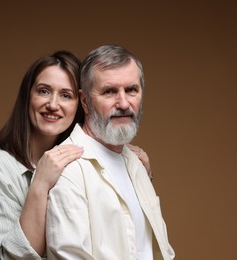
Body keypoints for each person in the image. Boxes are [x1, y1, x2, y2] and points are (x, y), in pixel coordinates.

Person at [0, 50, 153, 259]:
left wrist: (130, 170)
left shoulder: (72, 161)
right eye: (43, 91)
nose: (53, 105)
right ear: (27, 96)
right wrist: (40, 185)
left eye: (65, 95)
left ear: (82, 103)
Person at [46, 45, 175, 259]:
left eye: (131, 90)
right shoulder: (68, 169)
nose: (124, 103)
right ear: (85, 101)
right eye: (109, 91)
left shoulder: (137, 163)